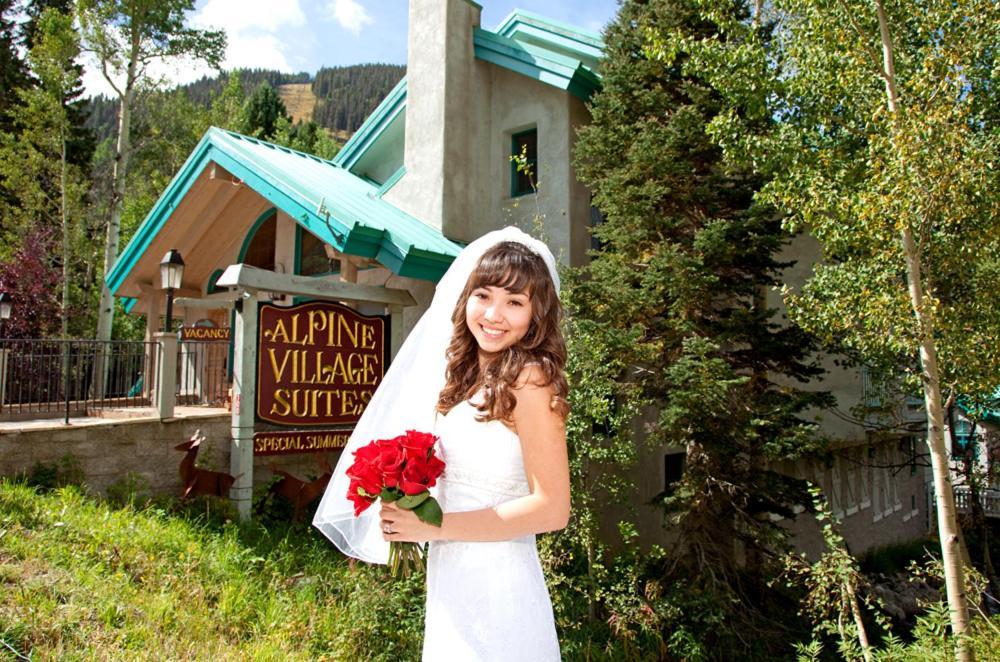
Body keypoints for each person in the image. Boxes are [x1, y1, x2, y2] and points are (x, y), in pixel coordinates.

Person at [313, 227, 569, 661]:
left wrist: (433, 526)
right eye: (484, 295)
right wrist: (406, 498)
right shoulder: (465, 379)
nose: (494, 314)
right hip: (452, 579)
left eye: (514, 302)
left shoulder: (530, 379)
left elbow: (553, 508)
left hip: (501, 586)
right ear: (466, 297)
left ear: (535, 315)